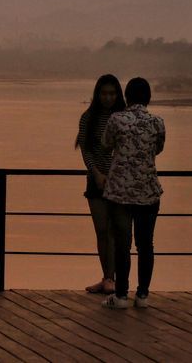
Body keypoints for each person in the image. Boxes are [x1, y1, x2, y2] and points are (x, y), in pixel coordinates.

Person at [101, 77, 165, 310]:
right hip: (148, 191)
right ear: (149, 97)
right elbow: (158, 149)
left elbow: (106, 145)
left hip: (120, 192)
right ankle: (143, 295)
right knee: (146, 245)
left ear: (126, 97)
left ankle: (120, 296)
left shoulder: (116, 120)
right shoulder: (157, 122)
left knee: (122, 244)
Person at [75, 74, 125, 294]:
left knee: (116, 230)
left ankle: (113, 279)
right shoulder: (88, 117)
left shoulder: (123, 117)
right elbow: (85, 149)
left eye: (112, 93)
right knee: (101, 230)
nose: (107, 98)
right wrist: (95, 173)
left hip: (119, 180)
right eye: (104, 93)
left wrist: (113, 173)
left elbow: (123, 149)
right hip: (96, 180)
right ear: (97, 94)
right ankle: (106, 276)